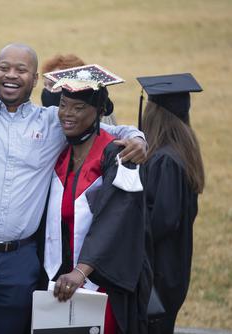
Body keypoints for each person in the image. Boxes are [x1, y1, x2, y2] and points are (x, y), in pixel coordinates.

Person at [0, 43, 147, 334]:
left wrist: (138, 137)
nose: (11, 75)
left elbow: (108, 129)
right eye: (4, 67)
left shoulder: (54, 122)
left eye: (21, 70)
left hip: (20, 260)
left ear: (35, 79)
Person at [36, 66, 151, 334]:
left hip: (100, 283)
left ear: (99, 112)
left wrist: (81, 272)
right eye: (64, 105)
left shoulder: (118, 157)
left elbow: (116, 220)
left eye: (78, 108)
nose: (67, 114)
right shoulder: (61, 152)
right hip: (59, 280)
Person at [137, 73, 205, 334]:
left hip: (158, 272)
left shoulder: (165, 160)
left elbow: (163, 220)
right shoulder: (182, 151)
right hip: (174, 267)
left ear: (154, 114)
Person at [40, 53, 117, 125]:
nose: (47, 91)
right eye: (45, 85)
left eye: (53, 85)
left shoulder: (98, 115)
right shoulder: (45, 121)